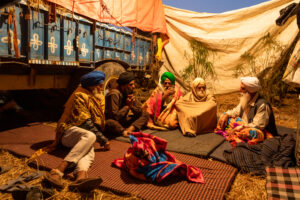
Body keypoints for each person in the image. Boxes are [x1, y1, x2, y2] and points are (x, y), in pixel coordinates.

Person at [43, 71, 109, 191]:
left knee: (89, 146)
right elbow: (86, 123)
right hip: (67, 133)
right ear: (91, 86)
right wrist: (103, 140)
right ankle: (59, 169)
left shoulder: (91, 95)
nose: (101, 88)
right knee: (90, 136)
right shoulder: (79, 95)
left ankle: (80, 177)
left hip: (81, 136)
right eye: (99, 85)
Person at [215, 77, 278, 146]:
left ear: (251, 91)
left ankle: (236, 135)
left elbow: (258, 125)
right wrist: (226, 115)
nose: (240, 90)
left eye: (243, 88)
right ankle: (235, 134)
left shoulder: (262, 105)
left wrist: (239, 127)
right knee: (224, 117)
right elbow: (235, 112)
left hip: (261, 132)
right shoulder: (245, 98)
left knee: (250, 132)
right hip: (243, 125)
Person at [105, 71, 149, 137]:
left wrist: (131, 106)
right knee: (110, 122)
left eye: (133, 84)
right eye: (131, 85)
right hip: (115, 122)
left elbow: (139, 111)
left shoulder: (128, 92)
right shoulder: (114, 94)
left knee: (145, 114)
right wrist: (127, 106)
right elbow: (114, 117)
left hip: (124, 120)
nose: (133, 86)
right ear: (123, 86)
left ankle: (129, 130)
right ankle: (123, 131)